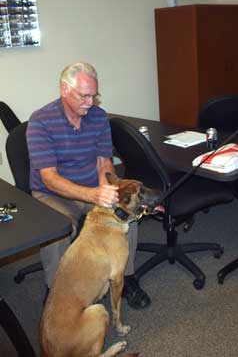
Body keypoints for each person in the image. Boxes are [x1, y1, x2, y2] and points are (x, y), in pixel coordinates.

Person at [26, 62, 150, 310]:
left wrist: (108, 192)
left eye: (94, 96)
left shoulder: (98, 117)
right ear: (64, 89)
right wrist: (92, 194)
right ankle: (56, 291)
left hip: (91, 187)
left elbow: (104, 162)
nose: (90, 102)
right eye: (84, 96)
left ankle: (127, 277)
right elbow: (49, 177)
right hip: (53, 193)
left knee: (125, 214)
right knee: (58, 230)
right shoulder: (41, 121)